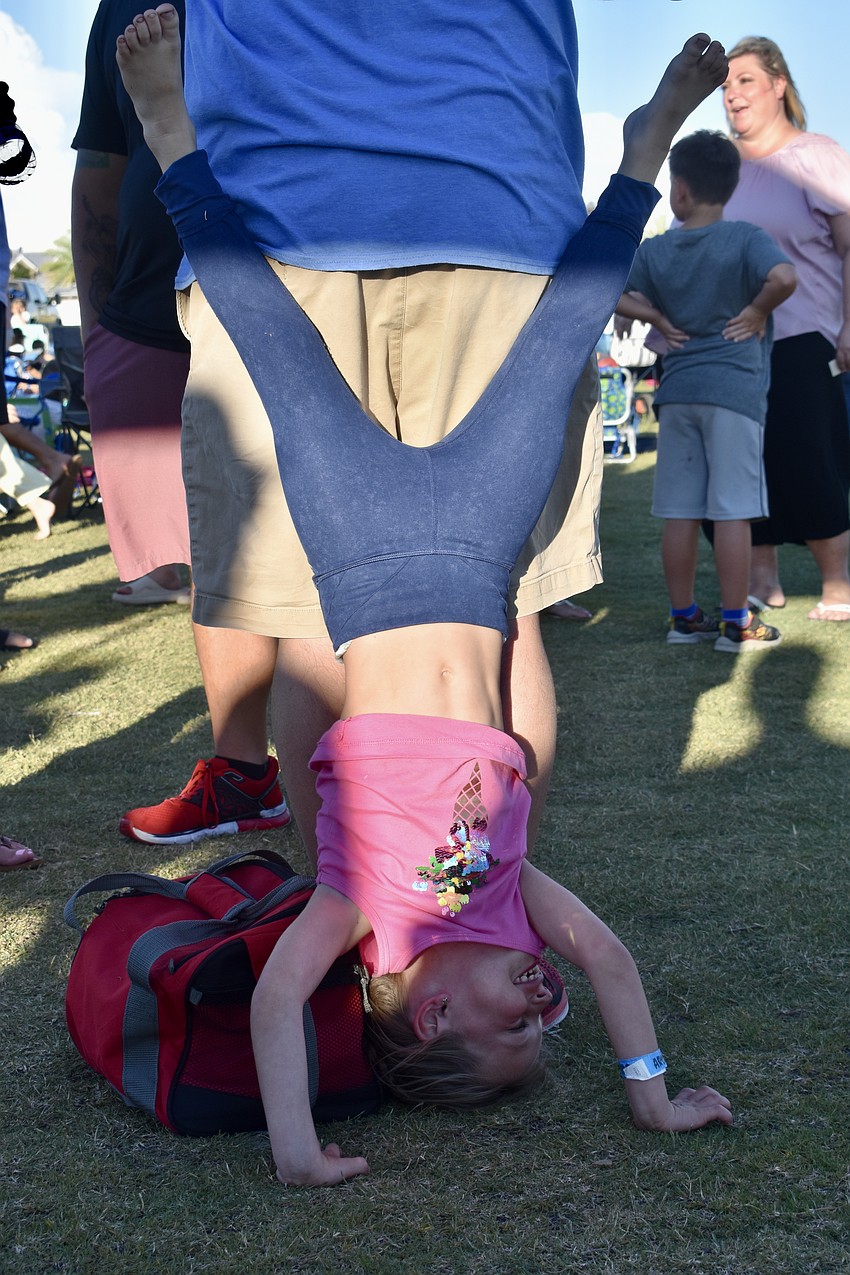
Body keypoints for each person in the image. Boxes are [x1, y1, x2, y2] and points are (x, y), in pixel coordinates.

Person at [117, 8, 733, 1187]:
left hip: (358, 558)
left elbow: (278, 1005)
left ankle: (169, 133)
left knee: (270, 328)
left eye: (517, 1028)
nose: (542, 1008)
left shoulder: (348, 911)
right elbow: (605, 959)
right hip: (478, 553)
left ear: (435, 1018)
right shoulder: (509, 898)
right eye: (547, 1030)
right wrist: (647, 1094)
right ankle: (646, 150)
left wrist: (297, 1152)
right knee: (562, 331)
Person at [120, 0, 608, 860]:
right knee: (501, 606)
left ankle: (173, 143)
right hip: (485, 190)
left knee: (326, 608)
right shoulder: (492, 912)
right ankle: (443, 897)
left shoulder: (353, 922)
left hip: (380, 185)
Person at [616, 130, 796, 651]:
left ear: (680, 192)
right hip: (734, 394)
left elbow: (612, 290)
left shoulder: (657, 249)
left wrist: (653, 314)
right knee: (732, 509)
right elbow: (784, 277)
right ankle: (737, 623)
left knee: (680, 510)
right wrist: (758, 309)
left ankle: (683, 618)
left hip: (678, 391)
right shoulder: (744, 238)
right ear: (730, 188)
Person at [721, 37, 850, 622]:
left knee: (810, 461)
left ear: (778, 84)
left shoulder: (817, 156)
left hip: (806, 336)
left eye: (745, 80)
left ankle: (837, 582)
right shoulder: (718, 168)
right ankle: (764, 580)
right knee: (749, 466)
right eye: (725, 84)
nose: (732, 92)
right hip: (734, 345)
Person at [72, 0, 193, 608]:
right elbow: (99, 166)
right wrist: (99, 330)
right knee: (219, 580)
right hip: (146, 317)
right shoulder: (119, 7)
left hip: (296, 289)